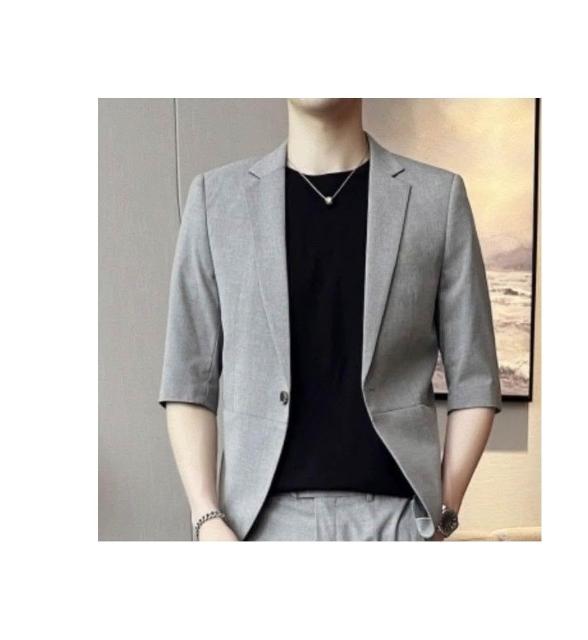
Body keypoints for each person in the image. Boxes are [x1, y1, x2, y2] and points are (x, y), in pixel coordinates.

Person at [158, 98, 502, 541]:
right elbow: (187, 379)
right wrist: (206, 518)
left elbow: (475, 377)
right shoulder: (216, 199)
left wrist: (444, 512)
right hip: (257, 525)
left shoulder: (437, 198)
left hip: (397, 521)